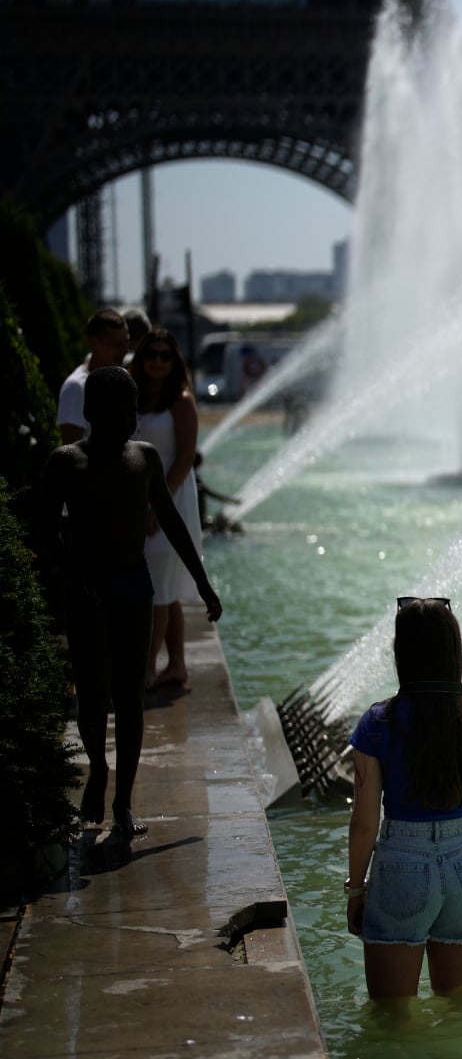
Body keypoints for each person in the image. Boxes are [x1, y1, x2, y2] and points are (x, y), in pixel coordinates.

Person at [39, 367, 222, 837]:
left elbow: (173, 522)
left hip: (133, 585)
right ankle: (98, 767)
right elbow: (42, 531)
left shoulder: (144, 459)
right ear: (93, 413)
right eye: (121, 410)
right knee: (93, 693)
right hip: (88, 590)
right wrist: (72, 579)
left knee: (131, 695)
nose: (130, 420)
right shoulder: (67, 461)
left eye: (133, 408)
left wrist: (202, 584)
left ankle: (123, 801)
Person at [345, 598, 462, 1001]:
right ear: (454, 651)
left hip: (401, 866)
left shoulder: (378, 721)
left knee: (390, 1018)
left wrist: (356, 890)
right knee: (460, 1012)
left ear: (402, 653)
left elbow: (364, 821)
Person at [130, 328, 203, 691]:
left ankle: (145, 670)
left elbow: (186, 457)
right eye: (151, 355)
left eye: (165, 356)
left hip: (171, 498)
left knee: (156, 587)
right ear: (140, 358)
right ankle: (176, 666)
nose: (157, 361)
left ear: (175, 362)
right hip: (140, 497)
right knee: (165, 588)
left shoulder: (181, 400)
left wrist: (159, 506)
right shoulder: (136, 396)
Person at [56, 310, 130, 444]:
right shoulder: (76, 387)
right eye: (117, 344)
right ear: (93, 343)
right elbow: (72, 452)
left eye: (126, 342)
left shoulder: (123, 379)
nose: (124, 350)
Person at [193, 451, 242, 532]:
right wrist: (232, 501)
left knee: (224, 520)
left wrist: (232, 501)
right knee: (229, 524)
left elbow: (211, 493)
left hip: (200, 521)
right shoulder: (195, 482)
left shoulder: (192, 481)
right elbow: (212, 494)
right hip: (200, 523)